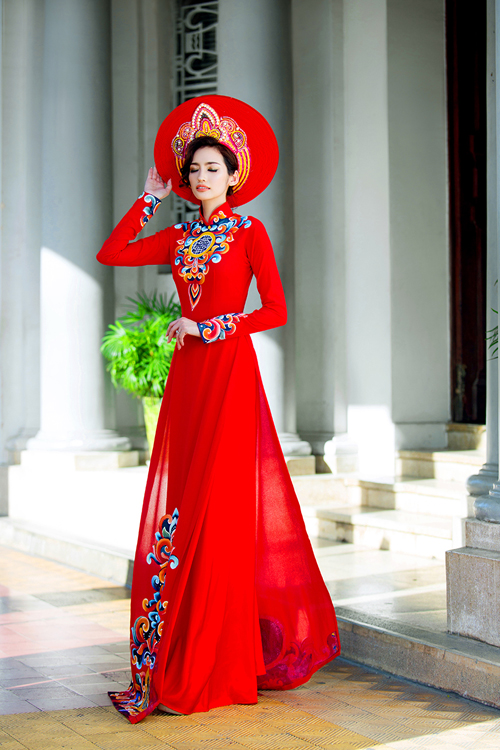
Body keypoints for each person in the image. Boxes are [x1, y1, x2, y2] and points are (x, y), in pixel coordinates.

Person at [97, 95, 340, 724]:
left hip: (228, 371)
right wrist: (148, 198)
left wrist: (211, 326)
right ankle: (184, 653)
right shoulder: (178, 237)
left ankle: (220, 662)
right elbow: (112, 253)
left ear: (235, 175)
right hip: (189, 381)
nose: (203, 177)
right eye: (195, 169)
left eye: (214, 168)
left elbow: (275, 310)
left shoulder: (250, 232)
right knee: (184, 507)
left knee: (221, 507)